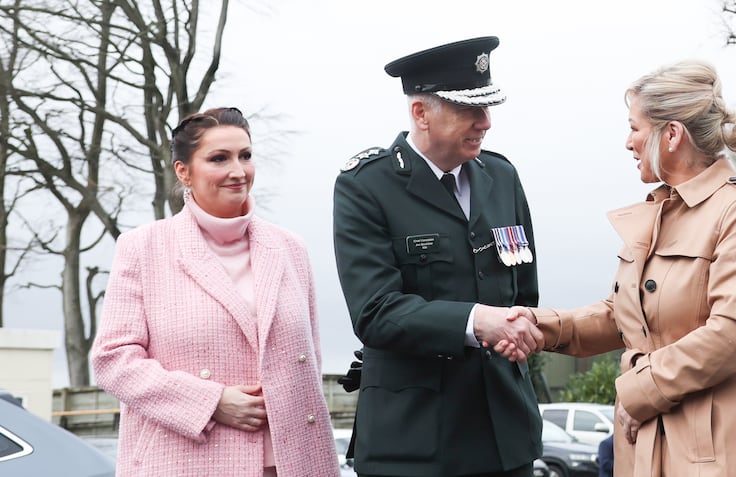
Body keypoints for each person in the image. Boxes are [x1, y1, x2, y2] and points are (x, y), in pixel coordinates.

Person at [496, 60, 736, 476]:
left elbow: (734, 332)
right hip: (646, 445)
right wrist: (537, 326)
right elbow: (625, 317)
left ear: (672, 135)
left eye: (634, 127)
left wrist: (638, 390)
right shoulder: (657, 215)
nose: (628, 143)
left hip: (723, 447)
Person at [332, 36, 545, 477]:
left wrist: (512, 328)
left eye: (487, 109)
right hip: (416, 445)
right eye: (469, 110)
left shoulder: (502, 177)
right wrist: (475, 321)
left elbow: (524, 292)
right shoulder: (366, 186)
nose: (485, 122)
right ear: (421, 112)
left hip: (506, 436)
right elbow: (375, 311)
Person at [91, 107, 340, 477]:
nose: (238, 171)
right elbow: (112, 360)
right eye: (219, 158)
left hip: (294, 463)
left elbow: (309, 361)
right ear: (183, 171)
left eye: (246, 156)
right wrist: (210, 402)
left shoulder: (290, 248)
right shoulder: (143, 248)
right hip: (188, 461)